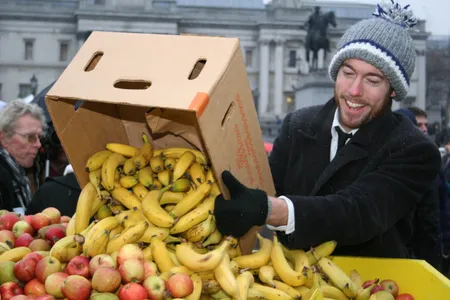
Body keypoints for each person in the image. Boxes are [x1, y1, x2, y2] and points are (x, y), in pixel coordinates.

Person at [214, 1, 442, 259]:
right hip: (288, 283)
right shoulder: (296, 125)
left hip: (369, 286)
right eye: (348, 72)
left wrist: (270, 209)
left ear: (393, 90)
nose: (354, 90)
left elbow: (359, 211)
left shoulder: (415, 149)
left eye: (372, 80)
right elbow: (258, 188)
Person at [395, 108, 443, 270]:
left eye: (425, 124)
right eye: (419, 124)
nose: (424, 128)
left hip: (418, 251)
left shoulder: (427, 159)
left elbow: (433, 212)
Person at [0, 100, 46, 213]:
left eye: (40, 137)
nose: (38, 144)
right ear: (4, 137)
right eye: (30, 137)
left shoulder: (32, 169)